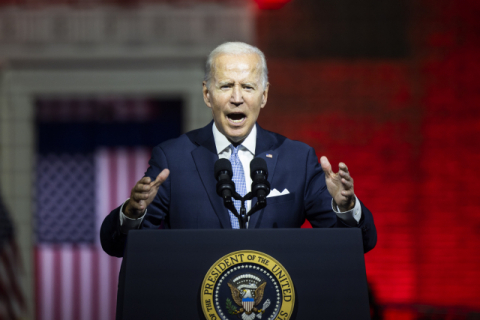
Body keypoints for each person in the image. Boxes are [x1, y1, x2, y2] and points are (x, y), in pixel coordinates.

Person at [100, 42, 376, 257]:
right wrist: (132, 213)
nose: (236, 98)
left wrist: (347, 207)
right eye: (226, 86)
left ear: (264, 95)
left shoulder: (298, 159)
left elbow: (356, 244)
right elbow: (119, 246)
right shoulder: (174, 158)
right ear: (207, 94)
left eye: (247, 86)